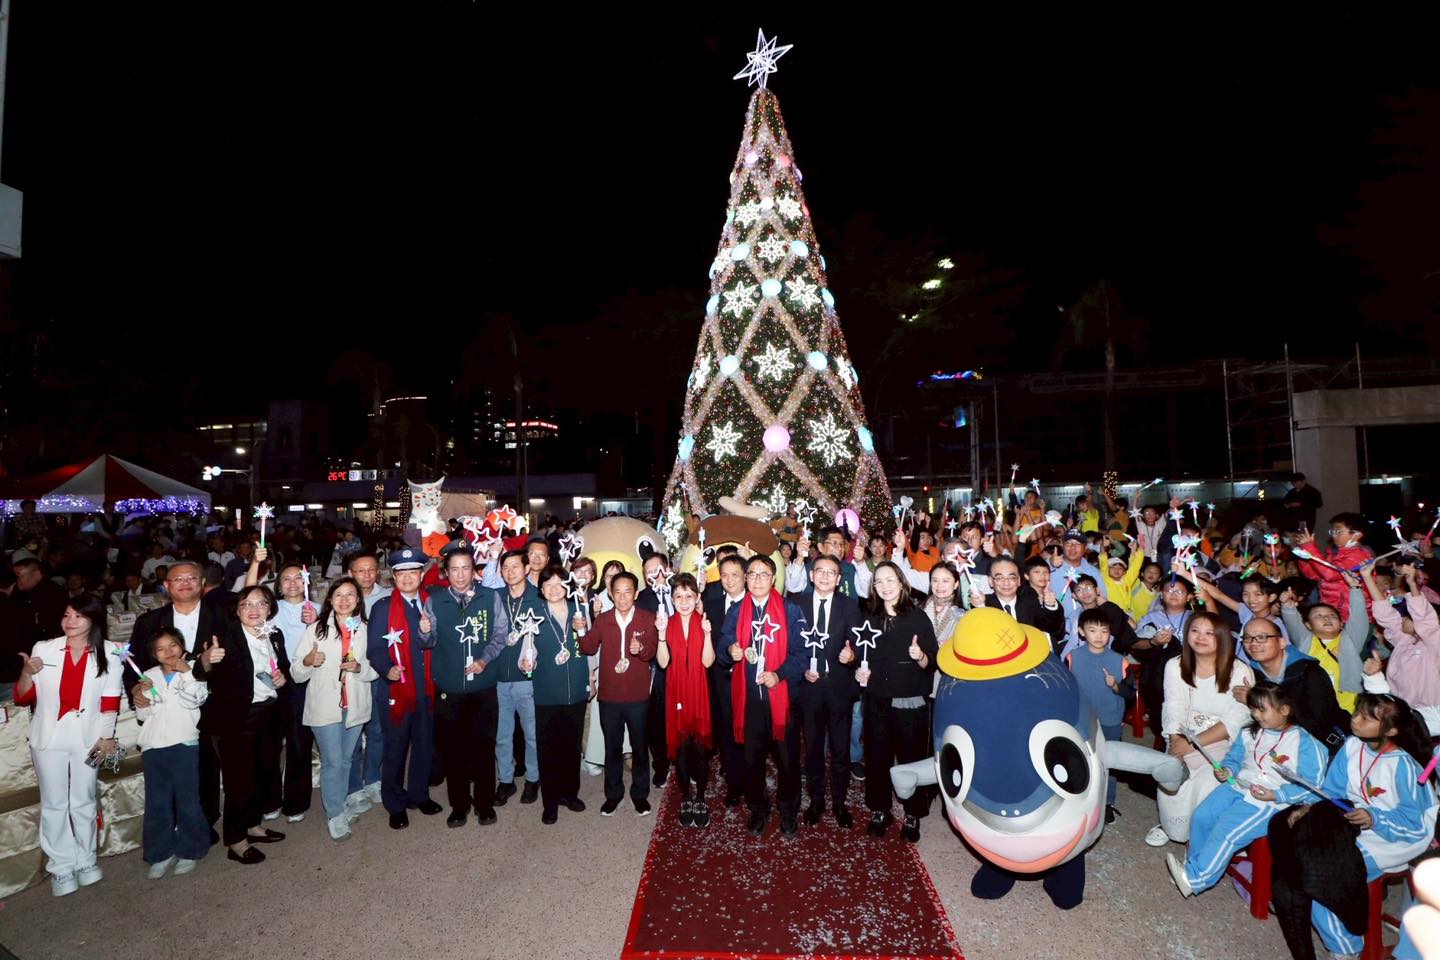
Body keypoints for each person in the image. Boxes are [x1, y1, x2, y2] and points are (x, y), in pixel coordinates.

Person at [1289, 693, 1439, 958]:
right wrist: (1311, 806)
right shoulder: (1351, 746)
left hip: (1398, 838)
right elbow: (1332, 791)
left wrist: (1374, 818)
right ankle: (1343, 940)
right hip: (1357, 824)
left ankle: (1346, 948)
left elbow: (1414, 825)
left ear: (1390, 730)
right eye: (1357, 712)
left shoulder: (1403, 766)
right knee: (1302, 864)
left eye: (1366, 718)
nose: (1355, 720)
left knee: (1325, 878)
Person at [1164, 681, 1327, 897]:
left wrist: (1277, 794)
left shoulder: (1304, 742)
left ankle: (1195, 879)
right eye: (1253, 709)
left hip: (1270, 801)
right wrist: (1227, 770)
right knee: (1203, 815)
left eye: (1262, 709)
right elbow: (1234, 758)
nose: (1256, 715)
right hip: (1238, 786)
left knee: (1227, 831)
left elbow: (1312, 786)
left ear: (1284, 710)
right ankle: (1193, 866)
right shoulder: (1250, 732)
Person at [14, 596, 123, 896]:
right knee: (54, 802)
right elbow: (23, 697)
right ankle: (61, 866)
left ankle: (86, 859)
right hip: (48, 735)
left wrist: (107, 736)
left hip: (90, 737)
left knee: (84, 798)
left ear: (94, 619)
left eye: (78, 616)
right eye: (66, 615)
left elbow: (111, 699)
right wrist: (26, 673)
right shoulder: (43, 648)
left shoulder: (111, 651)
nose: (70, 621)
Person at [192, 584, 289, 865]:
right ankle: (236, 841)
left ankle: (253, 825)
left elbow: (280, 668)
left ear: (270, 609)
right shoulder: (225, 636)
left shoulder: (274, 634)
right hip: (234, 720)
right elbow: (201, 670)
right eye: (246, 604)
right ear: (237, 610)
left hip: (267, 715)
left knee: (262, 775)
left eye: (261, 604)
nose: (254, 609)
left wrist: (282, 678)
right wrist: (206, 660)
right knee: (239, 782)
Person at [717, 554, 807, 837]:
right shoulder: (737, 611)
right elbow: (722, 644)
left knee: (788, 760)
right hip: (750, 701)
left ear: (773, 579)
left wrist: (779, 674)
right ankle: (758, 808)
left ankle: (788, 811)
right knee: (751, 760)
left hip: (782, 700)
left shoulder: (790, 610)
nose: (757, 579)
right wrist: (729, 651)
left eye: (763, 574)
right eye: (752, 574)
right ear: (746, 578)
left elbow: (802, 654)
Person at [1150, 612, 1255, 847]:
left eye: (1209, 633)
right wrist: (1176, 741)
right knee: (1171, 772)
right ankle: (1173, 826)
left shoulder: (1240, 671)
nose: (1200, 637)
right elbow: (1173, 705)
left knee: (1207, 782)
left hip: (1221, 739)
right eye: (1195, 631)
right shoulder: (1175, 665)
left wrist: (1192, 744)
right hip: (1184, 732)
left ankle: (1201, 840)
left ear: (1222, 638)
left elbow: (1236, 719)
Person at [853, 560, 938, 842]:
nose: (885, 586)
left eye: (890, 580)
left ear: (902, 583)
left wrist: (920, 656)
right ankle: (880, 809)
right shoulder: (868, 616)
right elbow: (858, 654)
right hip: (876, 697)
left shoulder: (917, 617)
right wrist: (857, 669)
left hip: (909, 700)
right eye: (879, 581)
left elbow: (932, 661)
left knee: (911, 758)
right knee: (876, 756)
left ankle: (913, 813)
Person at [423, 541, 506, 828]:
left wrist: (484, 660)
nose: (460, 575)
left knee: (484, 748)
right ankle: (459, 805)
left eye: (466, 568)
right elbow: (428, 642)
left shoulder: (490, 597)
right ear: (446, 572)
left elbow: (500, 634)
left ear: (474, 570)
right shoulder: (435, 600)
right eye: (455, 569)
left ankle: (484, 804)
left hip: (483, 687)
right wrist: (424, 632)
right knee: (453, 750)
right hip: (450, 688)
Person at [290, 577, 377, 842]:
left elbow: (376, 669)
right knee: (333, 761)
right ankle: (335, 813)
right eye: (338, 594)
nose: (344, 600)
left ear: (358, 600)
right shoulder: (316, 629)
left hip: (355, 704)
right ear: (330, 599)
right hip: (325, 706)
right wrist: (308, 661)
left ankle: (340, 801)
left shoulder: (365, 629)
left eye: (350, 594)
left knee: (347, 759)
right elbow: (296, 673)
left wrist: (360, 668)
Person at [365, 547, 441, 830]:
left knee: (424, 745)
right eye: (401, 573)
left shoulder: (431, 603)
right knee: (395, 749)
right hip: (396, 690)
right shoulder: (383, 608)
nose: (407, 578)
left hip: (426, 688)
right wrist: (387, 669)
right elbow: (375, 649)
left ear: (421, 575)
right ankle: (395, 803)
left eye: (413, 572)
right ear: (393, 577)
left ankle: (419, 794)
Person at [580, 571, 658, 816]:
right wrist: (581, 630)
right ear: (611, 595)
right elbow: (588, 647)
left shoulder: (647, 618)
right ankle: (613, 795)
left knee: (639, 748)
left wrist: (641, 647)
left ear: (636, 594)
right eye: (617, 592)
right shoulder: (603, 619)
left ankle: (640, 795)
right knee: (611, 748)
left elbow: (652, 651)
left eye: (627, 592)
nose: (622, 597)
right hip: (609, 697)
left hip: (638, 697)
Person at [791, 555, 861, 829]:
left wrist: (851, 656)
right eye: (819, 571)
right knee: (812, 749)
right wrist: (801, 670)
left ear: (839, 579)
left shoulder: (850, 605)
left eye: (831, 573)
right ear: (811, 575)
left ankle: (840, 803)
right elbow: (791, 646)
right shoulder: (797, 604)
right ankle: (816, 800)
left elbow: (858, 645)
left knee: (841, 750)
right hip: (809, 689)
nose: (824, 576)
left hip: (838, 687)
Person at [136, 626, 210, 878]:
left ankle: (191, 849)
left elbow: (196, 700)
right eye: (160, 649)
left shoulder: (194, 669)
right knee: (157, 802)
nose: (168, 652)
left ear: (182, 647)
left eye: (173, 646)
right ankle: (160, 853)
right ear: (153, 654)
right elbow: (143, 715)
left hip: (184, 743)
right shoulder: (148, 675)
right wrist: (143, 697)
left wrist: (187, 673)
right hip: (153, 746)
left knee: (188, 800)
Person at [1233, 617, 1350, 755]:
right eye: (1248, 638)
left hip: (1325, 748)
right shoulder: (1250, 676)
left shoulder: (1308, 671)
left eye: (1262, 637)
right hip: (1280, 750)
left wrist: (1256, 700)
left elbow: (1317, 722)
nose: (1254, 643)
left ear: (1281, 643)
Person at [531, 563, 591, 825]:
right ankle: (550, 802)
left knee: (572, 746)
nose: (554, 588)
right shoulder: (534, 615)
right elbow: (526, 650)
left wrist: (591, 678)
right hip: (547, 692)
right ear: (541, 588)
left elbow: (590, 647)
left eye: (559, 583)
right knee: (548, 749)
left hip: (576, 689)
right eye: (548, 584)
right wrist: (527, 660)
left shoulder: (580, 610)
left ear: (567, 586)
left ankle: (569, 793)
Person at [655, 573, 715, 828]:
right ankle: (686, 797)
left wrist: (708, 635)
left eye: (689, 596)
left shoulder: (704, 622)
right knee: (680, 748)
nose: (684, 601)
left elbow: (708, 662)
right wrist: (660, 635)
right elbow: (663, 662)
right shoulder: (667, 624)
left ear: (697, 597)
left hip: (698, 692)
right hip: (677, 691)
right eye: (678, 596)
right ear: (672, 599)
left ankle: (700, 797)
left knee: (699, 748)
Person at [1067, 607, 1135, 823]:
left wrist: (1115, 686)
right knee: (1079, 760)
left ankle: (1107, 803)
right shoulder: (1072, 658)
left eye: (1104, 631)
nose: (1099, 636)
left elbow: (1130, 694)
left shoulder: (1119, 661)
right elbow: (1065, 689)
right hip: (1081, 720)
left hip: (1110, 719)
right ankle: (1080, 800)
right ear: (1081, 631)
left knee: (1108, 762)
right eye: (1093, 630)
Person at [491, 549, 543, 807]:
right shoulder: (495, 598)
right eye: (505, 567)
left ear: (526, 568)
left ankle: (533, 778)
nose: (510, 572)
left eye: (515, 566)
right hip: (500, 677)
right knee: (502, 734)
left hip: (528, 679)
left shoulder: (539, 597)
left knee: (532, 733)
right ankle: (506, 779)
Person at [267, 558, 318, 824]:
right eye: (286, 579)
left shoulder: (318, 609)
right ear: (278, 585)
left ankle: (296, 800)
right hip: (273, 678)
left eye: (298, 578)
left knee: (299, 742)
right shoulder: (269, 610)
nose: (293, 583)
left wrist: (316, 621)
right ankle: (270, 799)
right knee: (271, 743)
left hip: (304, 679)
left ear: (307, 582)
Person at [1363, 560, 1440, 733]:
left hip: (1429, 718)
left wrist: (1412, 584)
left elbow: (1425, 618)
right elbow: (1386, 615)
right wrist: (1367, 577)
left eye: (1408, 616)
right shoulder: (1404, 641)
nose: (1403, 617)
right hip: (1400, 714)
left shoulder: (1435, 645)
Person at [1280, 575, 1369, 713]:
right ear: (1308, 625)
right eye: (1318, 616)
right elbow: (1293, 623)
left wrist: (1355, 588)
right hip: (1313, 708)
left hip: (1348, 708)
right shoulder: (1305, 641)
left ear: (1341, 624)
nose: (1327, 618)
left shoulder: (1350, 641)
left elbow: (1359, 617)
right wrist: (1287, 607)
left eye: (1332, 615)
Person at [703, 554, 750, 805]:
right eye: (724, 575)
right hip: (720, 680)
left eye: (735, 575)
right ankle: (734, 784)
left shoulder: (756, 604)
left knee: (750, 734)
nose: (730, 580)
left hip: (749, 681)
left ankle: (752, 783)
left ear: (745, 577)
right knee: (726, 733)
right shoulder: (710, 605)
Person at [344, 550, 388, 805]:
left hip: (379, 671)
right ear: (351, 573)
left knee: (377, 728)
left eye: (371, 569)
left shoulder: (388, 596)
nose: (367, 575)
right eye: (361, 570)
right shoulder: (343, 597)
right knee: (352, 729)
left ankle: (372, 778)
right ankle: (352, 786)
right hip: (352, 674)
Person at [1133, 577, 1195, 737]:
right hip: (1160, 677)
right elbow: (1135, 644)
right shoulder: (1151, 617)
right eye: (1169, 590)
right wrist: (1153, 642)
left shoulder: (1195, 618)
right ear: (1161, 594)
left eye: (1179, 591)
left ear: (1189, 596)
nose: (1173, 594)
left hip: (1190, 674)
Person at [636, 552, 674, 789]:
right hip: (656, 667)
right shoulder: (642, 599)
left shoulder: (682, 590)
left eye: (658, 569)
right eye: (648, 572)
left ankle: (687, 761)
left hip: (684, 665)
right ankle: (661, 764)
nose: (654, 575)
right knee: (656, 719)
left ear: (667, 569)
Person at [1294, 513, 1373, 623]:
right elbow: (1312, 575)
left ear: (1356, 535)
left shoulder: (1359, 555)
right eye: (1332, 532)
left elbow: (1330, 574)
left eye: (1338, 531)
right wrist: (1304, 554)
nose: (1334, 535)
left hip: (1351, 616)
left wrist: (1309, 547)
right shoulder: (1333, 555)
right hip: (1333, 612)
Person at [977, 557, 1064, 654]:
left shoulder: (1030, 602)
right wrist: (979, 606)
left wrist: (1050, 606)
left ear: (1018, 580)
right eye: (999, 578)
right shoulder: (984, 603)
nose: (1006, 583)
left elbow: (1055, 631)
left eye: (1012, 577)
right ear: (990, 581)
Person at [1061, 574, 1137, 659]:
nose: (1085, 592)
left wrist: (1108, 605)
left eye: (1088, 587)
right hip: (1078, 658)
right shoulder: (1075, 615)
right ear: (1074, 596)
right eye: (1079, 590)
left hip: (1107, 657)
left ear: (1097, 590)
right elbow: (1064, 632)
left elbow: (1133, 625)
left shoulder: (1109, 609)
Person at [12, 556, 68, 648]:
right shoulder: (19, 593)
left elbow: (46, 627)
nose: (18, 580)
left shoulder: (52, 593)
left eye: (21, 576)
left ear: (37, 574)